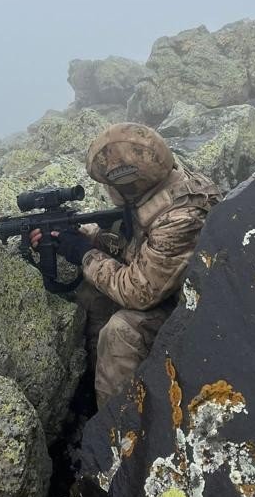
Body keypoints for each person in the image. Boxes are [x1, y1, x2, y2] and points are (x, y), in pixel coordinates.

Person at [30, 123, 221, 408]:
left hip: (201, 316)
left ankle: (117, 429)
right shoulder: (162, 188)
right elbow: (140, 249)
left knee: (121, 332)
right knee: (92, 296)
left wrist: (84, 254)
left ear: (129, 184)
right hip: (176, 292)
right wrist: (85, 238)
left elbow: (138, 291)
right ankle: (95, 385)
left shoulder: (182, 216)